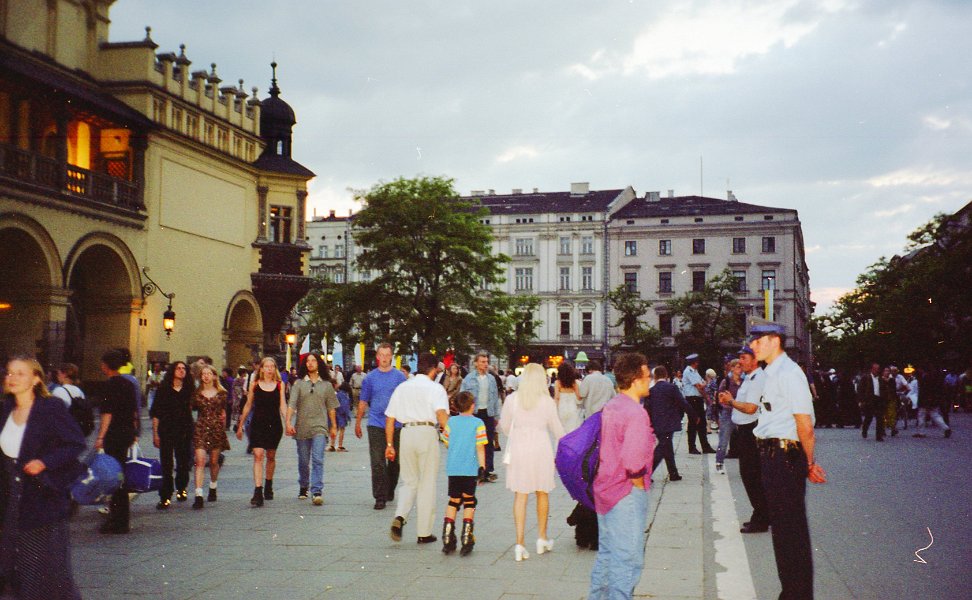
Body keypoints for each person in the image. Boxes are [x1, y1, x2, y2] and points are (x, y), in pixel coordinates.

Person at [750, 324, 827, 599]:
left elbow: (804, 424)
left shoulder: (790, 373)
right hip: (774, 457)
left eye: (758, 341)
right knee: (783, 531)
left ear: (775, 341)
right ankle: (792, 592)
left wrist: (809, 463)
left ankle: (798, 594)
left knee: (790, 531)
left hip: (785, 457)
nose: (753, 346)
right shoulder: (771, 373)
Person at [0, 357, 86, 599]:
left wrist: (45, 462)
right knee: (11, 568)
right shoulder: (5, 408)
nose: (12, 378)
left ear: (36, 378)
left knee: (42, 572)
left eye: (20, 373)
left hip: (41, 500)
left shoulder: (50, 408)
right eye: (9, 373)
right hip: (10, 503)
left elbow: (75, 443)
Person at [588, 352, 655, 599]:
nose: (650, 380)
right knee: (628, 559)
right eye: (647, 376)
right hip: (625, 492)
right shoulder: (636, 412)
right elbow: (634, 462)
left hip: (604, 489)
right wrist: (638, 486)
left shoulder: (613, 404)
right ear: (636, 379)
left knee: (607, 554)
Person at [499, 363, 565, 562]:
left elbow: (504, 426)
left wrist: (518, 432)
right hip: (541, 447)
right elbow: (558, 431)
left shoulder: (512, 400)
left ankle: (519, 543)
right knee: (542, 492)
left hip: (519, 448)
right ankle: (542, 538)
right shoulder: (547, 402)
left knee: (521, 495)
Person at [385, 353, 449, 544]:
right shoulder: (435, 388)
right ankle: (424, 532)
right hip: (427, 432)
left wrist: (389, 445)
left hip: (406, 433)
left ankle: (400, 515)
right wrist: (453, 437)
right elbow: (442, 416)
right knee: (427, 482)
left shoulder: (402, 387)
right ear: (433, 369)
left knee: (409, 480)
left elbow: (390, 419)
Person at [720, 346, 770, 534]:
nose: (740, 361)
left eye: (744, 357)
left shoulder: (758, 379)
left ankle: (761, 518)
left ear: (755, 359)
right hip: (745, 431)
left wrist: (731, 402)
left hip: (751, 431)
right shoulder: (750, 378)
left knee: (751, 475)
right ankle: (763, 514)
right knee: (752, 475)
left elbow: (750, 408)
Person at [356, 343, 407, 510]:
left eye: (387, 355)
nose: (384, 358)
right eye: (381, 355)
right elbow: (363, 401)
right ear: (377, 357)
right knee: (377, 461)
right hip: (376, 423)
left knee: (395, 461)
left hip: (397, 424)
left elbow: (405, 400)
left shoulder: (399, 377)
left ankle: (390, 488)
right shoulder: (370, 378)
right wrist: (358, 422)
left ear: (391, 357)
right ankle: (379, 496)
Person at [286, 354, 338, 505]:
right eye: (307, 361)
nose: (310, 363)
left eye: (313, 360)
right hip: (302, 427)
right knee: (303, 460)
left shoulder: (327, 385)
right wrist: (288, 422)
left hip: (320, 427)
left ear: (319, 363)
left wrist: (333, 426)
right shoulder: (299, 384)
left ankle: (316, 490)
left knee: (317, 458)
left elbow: (331, 408)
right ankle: (304, 485)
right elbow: (292, 404)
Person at [95, 349, 138, 534]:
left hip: (113, 434)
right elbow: (134, 411)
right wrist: (134, 431)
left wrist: (100, 437)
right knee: (120, 475)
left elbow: (107, 413)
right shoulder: (128, 384)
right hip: (126, 433)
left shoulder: (109, 385)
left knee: (114, 476)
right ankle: (122, 518)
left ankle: (116, 519)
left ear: (106, 365)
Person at [440, 391, 487, 555]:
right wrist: (482, 467)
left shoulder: (451, 422)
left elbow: (445, 441)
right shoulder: (478, 423)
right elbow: (480, 447)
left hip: (453, 468)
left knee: (453, 500)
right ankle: (466, 537)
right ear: (472, 406)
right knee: (469, 501)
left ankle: (447, 536)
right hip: (470, 469)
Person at [237, 357, 286, 507]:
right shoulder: (255, 385)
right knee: (258, 455)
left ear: (275, 369)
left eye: (272, 366)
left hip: (274, 424)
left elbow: (283, 405)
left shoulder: (279, 385)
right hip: (258, 424)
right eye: (267, 366)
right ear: (262, 369)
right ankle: (258, 491)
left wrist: (289, 421)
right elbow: (248, 405)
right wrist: (240, 424)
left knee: (271, 456)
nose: (270, 369)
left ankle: (268, 484)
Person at [150, 361, 195, 509]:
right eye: (178, 368)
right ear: (172, 371)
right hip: (167, 429)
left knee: (183, 461)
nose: (181, 371)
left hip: (184, 430)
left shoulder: (189, 389)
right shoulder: (163, 389)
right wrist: (155, 433)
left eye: (184, 369)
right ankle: (165, 495)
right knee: (166, 464)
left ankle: (182, 488)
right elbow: (156, 413)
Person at [645, 365, 696, 482]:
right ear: (666, 375)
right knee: (663, 447)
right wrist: (693, 414)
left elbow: (647, 408)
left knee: (667, 446)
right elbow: (682, 403)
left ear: (655, 377)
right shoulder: (672, 388)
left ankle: (673, 473)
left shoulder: (651, 391)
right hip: (669, 423)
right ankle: (647, 473)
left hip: (657, 423)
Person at [191, 364, 230, 509]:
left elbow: (224, 412)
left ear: (214, 376)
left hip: (216, 429)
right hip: (201, 427)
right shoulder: (196, 393)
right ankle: (198, 494)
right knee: (200, 461)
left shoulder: (222, 393)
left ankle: (213, 485)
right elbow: (192, 407)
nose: (206, 376)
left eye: (209, 373)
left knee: (213, 461)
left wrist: (223, 426)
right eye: (203, 374)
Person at [460, 352, 501, 483]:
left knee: (488, 442)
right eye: (482, 362)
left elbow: (495, 398)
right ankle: (474, 469)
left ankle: (487, 470)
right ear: (476, 363)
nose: (485, 364)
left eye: (486, 362)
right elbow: (463, 395)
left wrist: (496, 415)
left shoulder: (491, 379)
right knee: (473, 442)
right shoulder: (469, 378)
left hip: (487, 413)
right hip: (474, 413)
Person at [681, 354, 715, 454]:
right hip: (692, 399)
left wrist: (704, 387)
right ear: (694, 362)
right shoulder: (689, 371)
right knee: (693, 422)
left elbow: (702, 384)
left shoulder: (694, 372)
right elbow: (700, 386)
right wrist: (707, 397)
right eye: (697, 361)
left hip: (697, 399)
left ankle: (705, 446)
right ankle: (692, 447)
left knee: (702, 423)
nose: (698, 363)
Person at [715, 359, 743, 473]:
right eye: (737, 367)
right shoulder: (726, 381)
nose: (740, 369)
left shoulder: (744, 381)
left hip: (741, 412)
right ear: (731, 368)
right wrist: (729, 402)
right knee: (724, 439)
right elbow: (720, 397)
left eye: (741, 367)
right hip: (728, 413)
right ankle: (719, 462)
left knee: (744, 439)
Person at [858, 363, 887, 441]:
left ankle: (879, 436)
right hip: (869, 400)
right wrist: (862, 400)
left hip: (878, 399)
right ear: (871, 369)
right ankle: (865, 430)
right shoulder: (866, 378)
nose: (877, 370)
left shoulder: (880, 378)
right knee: (869, 417)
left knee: (880, 418)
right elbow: (860, 389)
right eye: (875, 368)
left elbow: (883, 389)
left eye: (878, 368)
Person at [554, 363, 582, 433]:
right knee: (571, 430)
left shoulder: (557, 383)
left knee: (562, 430)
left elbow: (557, 397)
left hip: (561, 408)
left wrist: (554, 409)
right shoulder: (574, 383)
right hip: (572, 408)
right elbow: (579, 397)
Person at [331, 382, 351, 452]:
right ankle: (340, 445)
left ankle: (332, 445)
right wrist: (347, 415)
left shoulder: (338, 394)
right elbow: (344, 406)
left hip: (336, 413)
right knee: (342, 430)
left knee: (335, 429)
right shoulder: (344, 395)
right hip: (341, 415)